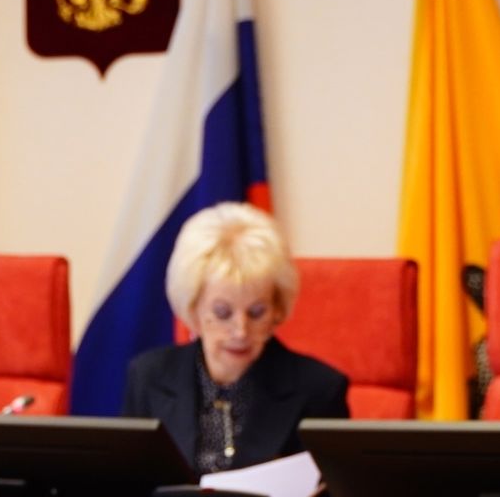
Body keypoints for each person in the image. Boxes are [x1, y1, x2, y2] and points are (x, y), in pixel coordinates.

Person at [121, 202, 348, 473]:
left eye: (256, 312)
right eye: (222, 312)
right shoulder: (149, 377)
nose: (241, 331)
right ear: (192, 308)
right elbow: (127, 484)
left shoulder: (320, 390)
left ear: (277, 309)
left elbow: (334, 495)